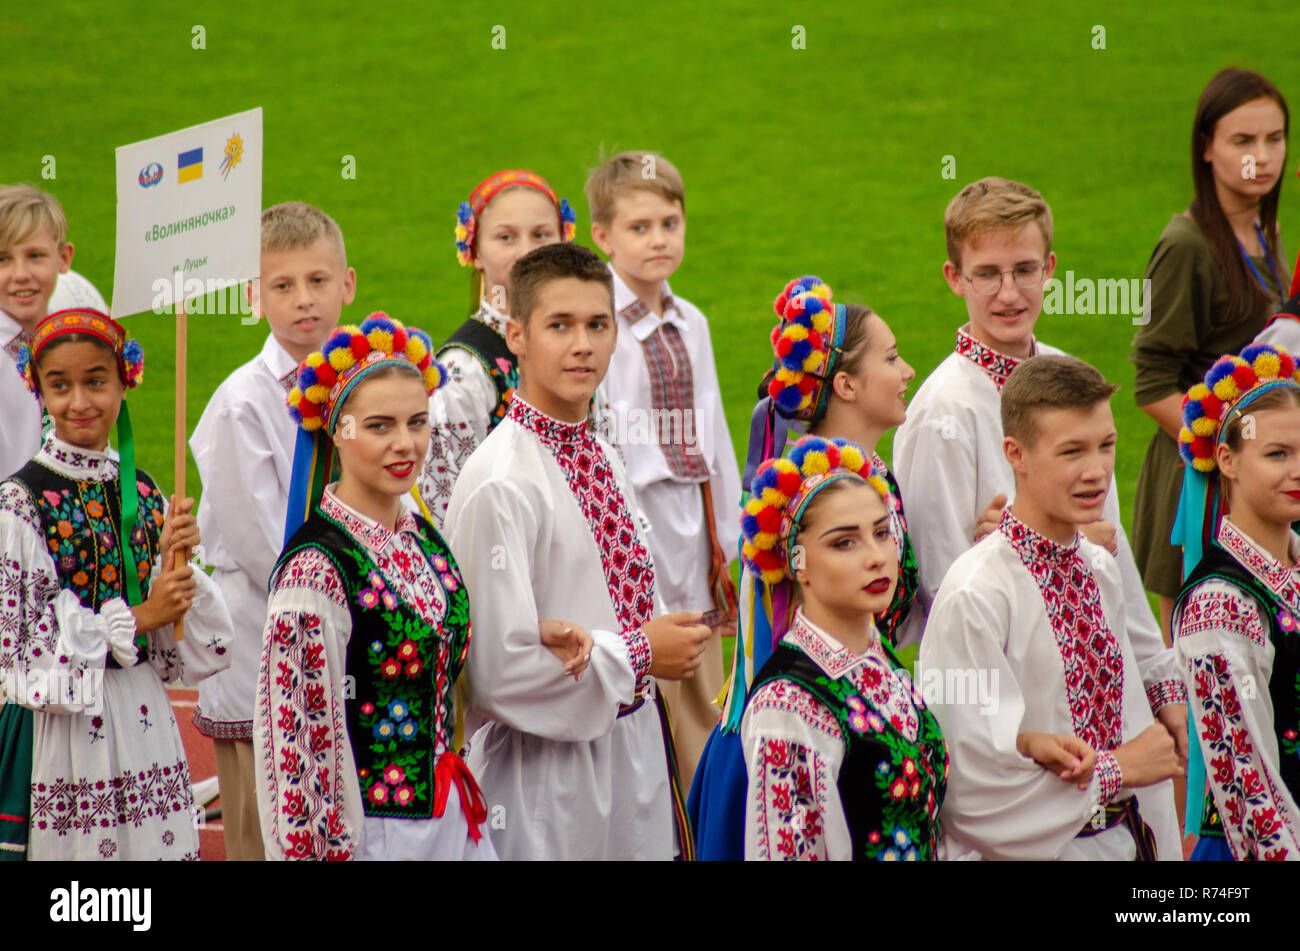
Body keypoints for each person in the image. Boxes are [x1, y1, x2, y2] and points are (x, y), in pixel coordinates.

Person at [255, 314, 565, 860]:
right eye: (379, 426)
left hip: (449, 815)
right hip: (377, 834)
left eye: (418, 422)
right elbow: (297, 749)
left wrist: (534, 635)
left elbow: (435, 652)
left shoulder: (421, 535)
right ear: (338, 430)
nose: (406, 444)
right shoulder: (315, 571)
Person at [892, 177, 1186, 747]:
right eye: (988, 274)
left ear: (1050, 267)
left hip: (1097, 661)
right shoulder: (942, 411)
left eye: (1024, 270)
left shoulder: (1071, 377)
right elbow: (938, 583)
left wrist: (1158, 677)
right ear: (955, 278)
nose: (1009, 293)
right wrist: (1021, 551)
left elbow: (1112, 544)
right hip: (1006, 692)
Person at [444, 242, 713, 860]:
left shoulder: (599, 447)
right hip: (545, 782)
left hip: (634, 749)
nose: (582, 344)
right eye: (559, 325)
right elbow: (495, 673)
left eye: (597, 324)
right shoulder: (501, 481)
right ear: (515, 334)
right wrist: (643, 653)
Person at [689, 276, 922, 859]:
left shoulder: (866, 477)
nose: (908, 371)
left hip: (861, 724)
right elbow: (772, 650)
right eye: (891, 358)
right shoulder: (801, 497)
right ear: (845, 383)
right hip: (793, 744)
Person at [921, 355, 1182, 860]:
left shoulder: (1098, 568)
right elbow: (970, 788)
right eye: (1071, 451)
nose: (1097, 471)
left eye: (1106, 445)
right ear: (1015, 454)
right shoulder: (977, 593)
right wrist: (1115, 770)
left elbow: (1135, 731)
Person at [0, 308, 233, 860]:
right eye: (60, 385)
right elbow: (20, 658)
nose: (79, 402)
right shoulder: (19, 502)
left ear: (125, 383)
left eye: (96, 382)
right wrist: (143, 614)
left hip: (142, 720)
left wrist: (175, 567)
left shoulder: (144, 492)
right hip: (61, 737)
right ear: (39, 390)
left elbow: (175, 658)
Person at [190, 201, 356, 860]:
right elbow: (266, 546)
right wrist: (358, 599)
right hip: (265, 638)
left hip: (339, 635)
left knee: (332, 817)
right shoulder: (243, 402)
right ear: (255, 295)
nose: (303, 301)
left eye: (318, 281)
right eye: (282, 286)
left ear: (347, 284)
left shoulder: (362, 382)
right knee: (265, 829)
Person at [586, 150, 742, 790]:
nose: (658, 240)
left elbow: (715, 429)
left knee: (704, 686)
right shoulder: (600, 322)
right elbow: (605, 433)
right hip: (636, 518)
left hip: (691, 521)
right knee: (647, 673)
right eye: (639, 227)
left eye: (669, 224)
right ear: (602, 236)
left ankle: (704, 812)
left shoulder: (692, 320)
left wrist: (731, 532)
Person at [1132, 68, 1291, 641]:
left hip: (1255, 473)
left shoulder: (1261, 229)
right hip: (1199, 490)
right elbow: (1151, 384)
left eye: (1274, 138)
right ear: (1206, 148)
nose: (1262, 157)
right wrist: (1229, 457)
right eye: (1242, 141)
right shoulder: (1186, 246)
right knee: (1199, 672)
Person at [735, 434, 946, 860]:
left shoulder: (878, 657)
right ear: (798, 563)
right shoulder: (787, 704)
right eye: (844, 542)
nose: (877, 556)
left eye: (882, 532)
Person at [1171, 343, 1300, 860]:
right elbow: (1248, 788)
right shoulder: (1219, 604)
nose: (1298, 469)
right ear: (1227, 459)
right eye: (1277, 454)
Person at [419, 169, 604, 527]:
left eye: (541, 234)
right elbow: (444, 503)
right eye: (506, 237)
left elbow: (607, 457)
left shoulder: (583, 343)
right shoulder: (464, 367)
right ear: (473, 251)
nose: (526, 251)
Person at [0, 185, 84, 478]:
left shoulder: (69, 343)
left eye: (35, 256)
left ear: (64, 258)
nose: (21, 274)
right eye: (3, 260)